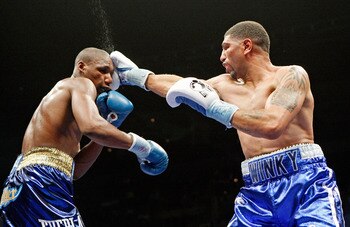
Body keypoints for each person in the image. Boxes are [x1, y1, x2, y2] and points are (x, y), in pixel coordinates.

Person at [109, 21, 345, 226]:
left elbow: (272, 125)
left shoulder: (291, 76)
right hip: (256, 190)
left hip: (306, 183)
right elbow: (183, 86)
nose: (221, 56)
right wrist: (137, 76)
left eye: (226, 48)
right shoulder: (225, 84)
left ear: (246, 45)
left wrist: (217, 108)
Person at [0, 47, 169, 226]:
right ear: (82, 67)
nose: (109, 79)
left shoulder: (66, 104)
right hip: (41, 179)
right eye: (103, 70)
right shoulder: (81, 84)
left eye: (111, 73)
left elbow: (76, 170)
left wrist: (109, 125)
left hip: (22, 183)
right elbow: (91, 127)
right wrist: (142, 147)